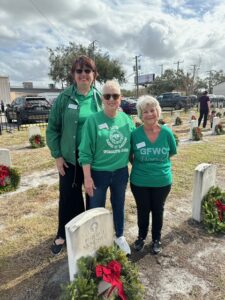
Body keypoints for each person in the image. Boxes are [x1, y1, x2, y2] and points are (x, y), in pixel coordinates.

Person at [46, 55, 102, 255]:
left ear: (94, 75)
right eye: (79, 71)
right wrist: (57, 155)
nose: (83, 75)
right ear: (73, 74)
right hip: (69, 157)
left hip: (93, 159)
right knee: (68, 196)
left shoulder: (100, 99)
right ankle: (62, 233)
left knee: (92, 195)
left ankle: (86, 232)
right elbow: (52, 129)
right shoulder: (64, 98)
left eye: (88, 71)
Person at [78, 80, 135, 255]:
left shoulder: (126, 120)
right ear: (102, 98)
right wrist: (87, 178)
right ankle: (95, 243)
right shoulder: (93, 121)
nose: (111, 99)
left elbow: (133, 147)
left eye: (115, 96)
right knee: (95, 210)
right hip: (98, 174)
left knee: (119, 204)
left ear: (121, 98)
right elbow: (85, 152)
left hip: (120, 173)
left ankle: (119, 236)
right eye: (107, 96)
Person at [130, 95, 177, 254]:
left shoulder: (167, 133)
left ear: (158, 111)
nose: (149, 114)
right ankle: (141, 237)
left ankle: (156, 238)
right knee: (143, 210)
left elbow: (171, 152)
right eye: (145, 111)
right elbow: (130, 156)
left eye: (152, 110)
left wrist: (157, 166)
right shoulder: (135, 135)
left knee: (158, 210)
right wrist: (143, 167)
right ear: (140, 114)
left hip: (162, 181)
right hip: (139, 181)